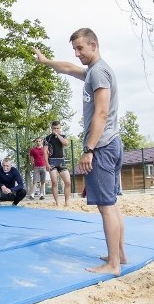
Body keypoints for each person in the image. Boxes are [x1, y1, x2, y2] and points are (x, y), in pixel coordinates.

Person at [35, 28, 126, 276]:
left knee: (106, 205)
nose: (76, 54)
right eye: (74, 49)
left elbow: (101, 112)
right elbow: (67, 68)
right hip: (111, 143)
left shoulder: (98, 73)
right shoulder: (92, 72)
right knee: (112, 203)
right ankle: (120, 255)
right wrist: (46, 61)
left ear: (94, 45)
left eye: (80, 48)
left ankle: (113, 264)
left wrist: (89, 149)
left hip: (103, 146)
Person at [43, 121, 72, 206]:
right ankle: (57, 202)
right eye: (54, 128)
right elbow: (44, 152)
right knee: (54, 182)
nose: (56, 130)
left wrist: (58, 135)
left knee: (68, 182)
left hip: (61, 161)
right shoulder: (47, 138)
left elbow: (66, 143)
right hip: (52, 161)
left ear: (60, 128)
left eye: (57, 128)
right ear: (51, 129)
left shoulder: (63, 136)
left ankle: (67, 202)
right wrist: (47, 164)